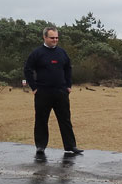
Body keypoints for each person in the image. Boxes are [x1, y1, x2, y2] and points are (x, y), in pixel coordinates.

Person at [24, 26, 83, 158]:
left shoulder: (62, 53)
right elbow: (27, 69)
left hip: (61, 92)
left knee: (65, 119)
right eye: (52, 38)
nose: (55, 40)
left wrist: (68, 86)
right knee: (41, 120)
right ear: (45, 37)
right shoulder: (37, 53)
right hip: (43, 92)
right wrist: (34, 87)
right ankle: (40, 146)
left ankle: (70, 146)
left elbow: (68, 68)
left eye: (57, 38)